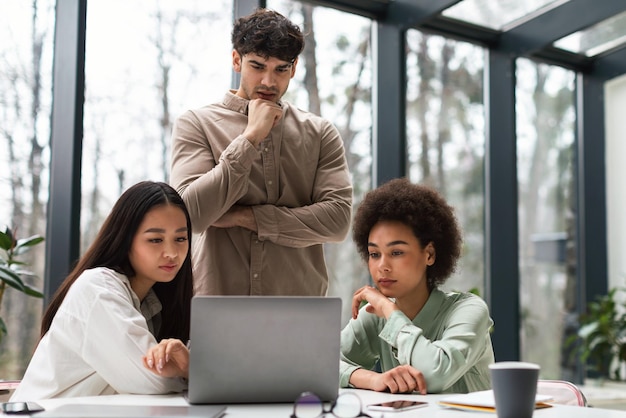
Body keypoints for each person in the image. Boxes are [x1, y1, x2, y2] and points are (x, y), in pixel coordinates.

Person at [169, 8, 352, 296]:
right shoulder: (196, 124)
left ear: (293, 68)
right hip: (218, 305)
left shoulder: (320, 133)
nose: (269, 81)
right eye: (257, 66)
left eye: (281, 69)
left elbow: (338, 221)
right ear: (236, 60)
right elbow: (189, 214)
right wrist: (251, 137)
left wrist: (244, 217)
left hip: (299, 311)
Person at [11, 181, 193, 401]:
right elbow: (152, 378)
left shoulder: (155, 303)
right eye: (155, 239)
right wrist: (188, 368)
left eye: (180, 239)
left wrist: (185, 366)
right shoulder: (97, 289)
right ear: (125, 240)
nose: (172, 253)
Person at [340, 178, 494, 394]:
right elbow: (320, 364)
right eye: (374, 254)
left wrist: (390, 312)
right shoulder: (375, 316)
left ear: (429, 254)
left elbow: (433, 375)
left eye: (396, 252)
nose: (382, 266)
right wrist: (372, 379)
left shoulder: (469, 310)